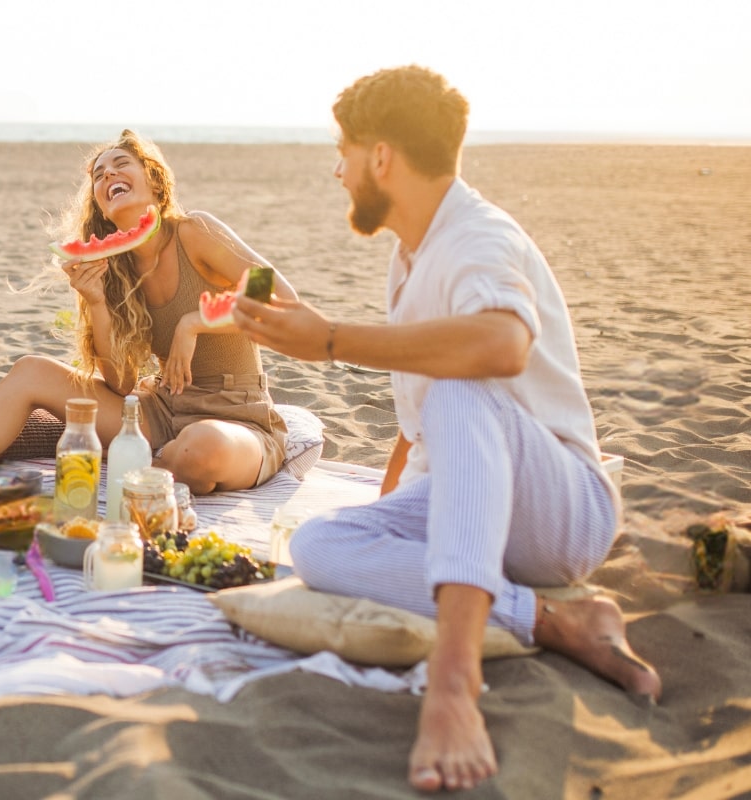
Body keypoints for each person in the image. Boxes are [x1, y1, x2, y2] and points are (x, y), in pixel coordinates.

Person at [231, 66, 661, 792]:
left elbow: (499, 347)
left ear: (381, 157)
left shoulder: (479, 237)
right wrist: (386, 510)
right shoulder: (413, 254)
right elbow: (421, 425)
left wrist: (329, 339)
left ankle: (453, 688)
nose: (337, 170)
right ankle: (560, 623)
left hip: (563, 511)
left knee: (463, 391)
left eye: (345, 149)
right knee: (322, 542)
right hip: (479, 502)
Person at [0, 129, 295, 494]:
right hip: (159, 414)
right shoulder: (113, 268)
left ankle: (151, 469)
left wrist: (194, 322)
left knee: (202, 449)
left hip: (237, 415)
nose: (107, 175)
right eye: (98, 175)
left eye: (121, 164)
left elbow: (277, 290)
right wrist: (97, 301)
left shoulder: (194, 231)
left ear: (154, 180)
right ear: (99, 202)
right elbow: (119, 383)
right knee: (31, 370)